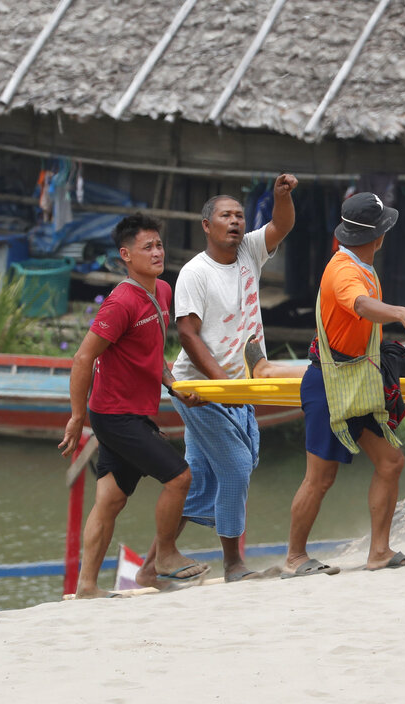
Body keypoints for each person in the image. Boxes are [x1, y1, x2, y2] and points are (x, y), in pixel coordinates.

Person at [135, 175, 299, 586]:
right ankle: (233, 565)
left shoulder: (249, 253)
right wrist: (222, 384)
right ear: (206, 225)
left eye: (240, 216)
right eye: (225, 216)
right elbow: (187, 334)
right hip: (200, 390)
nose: (235, 222)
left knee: (201, 476)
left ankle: (148, 568)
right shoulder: (194, 273)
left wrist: (281, 197)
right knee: (238, 466)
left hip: (236, 385)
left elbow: (282, 226)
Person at [283, 192, 405, 577]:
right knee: (320, 478)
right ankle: (295, 558)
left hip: (356, 380)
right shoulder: (346, 271)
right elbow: (362, 305)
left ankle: (379, 551)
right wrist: (401, 312)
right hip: (330, 383)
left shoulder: (360, 264)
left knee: (391, 461)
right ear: (379, 235)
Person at [58, 213, 208, 598]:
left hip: (135, 411)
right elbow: (82, 358)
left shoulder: (161, 292)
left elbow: (151, 354)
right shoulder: (120, 302)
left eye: (159, 245)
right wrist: (77, 417)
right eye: (148, 247)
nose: (157, 252)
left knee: (110, 500)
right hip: (114, 414)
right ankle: (164, 558)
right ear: (126, 255)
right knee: (179, 477)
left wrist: (173, 385)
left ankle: (88, 586)